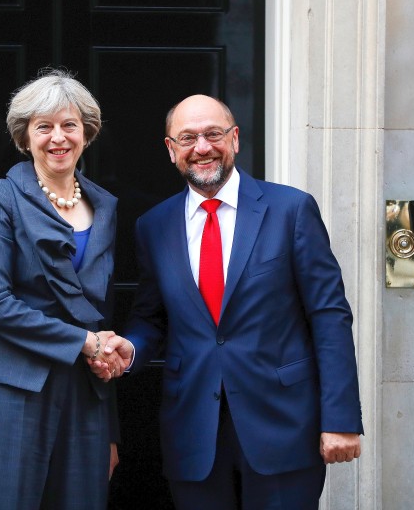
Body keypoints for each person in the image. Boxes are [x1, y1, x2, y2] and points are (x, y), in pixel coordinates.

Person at [96, 94, 363, 509]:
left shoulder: (291, 210)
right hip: (194, 430)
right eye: (187, 138)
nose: (201, 147)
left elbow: (329, 316)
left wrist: (341, 420)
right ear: (171, 150)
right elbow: (151, 317)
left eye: (213, 134)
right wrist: (130, 349)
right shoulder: (154, 225)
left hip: (284, 425)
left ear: (235, 139)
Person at [0, 68, 122, 509]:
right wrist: (84, 342)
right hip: (9, 388)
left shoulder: (105, 205)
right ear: (24, 136)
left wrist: (111, 427)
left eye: (69, 125)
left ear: (87, 132)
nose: (58, 137)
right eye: (43, 126)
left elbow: (100, 315)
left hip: (85, 397)